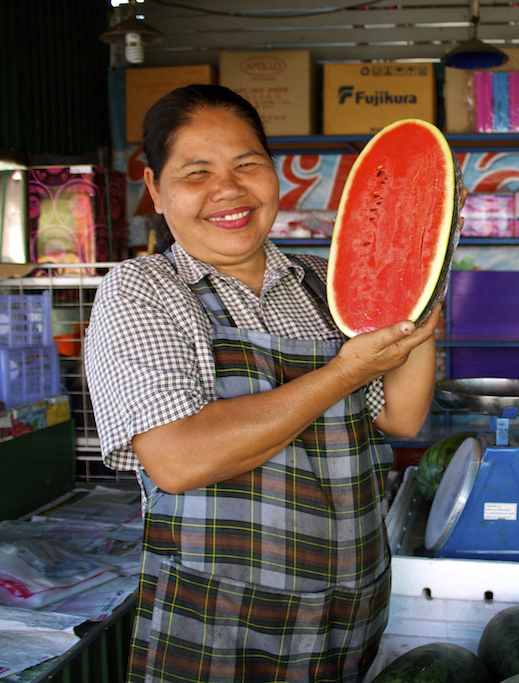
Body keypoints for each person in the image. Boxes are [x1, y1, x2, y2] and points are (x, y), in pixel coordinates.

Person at [84, 84, 440, 682]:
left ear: (274, 174)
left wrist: (423, 292)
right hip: (220, 624)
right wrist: (344, 373)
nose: (228, 190)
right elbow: (178, 457)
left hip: (351, 606)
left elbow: (400, 419)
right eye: (197, 172)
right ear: (155, 190)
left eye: (247, 164)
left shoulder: (324, 284)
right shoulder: (143, 290)